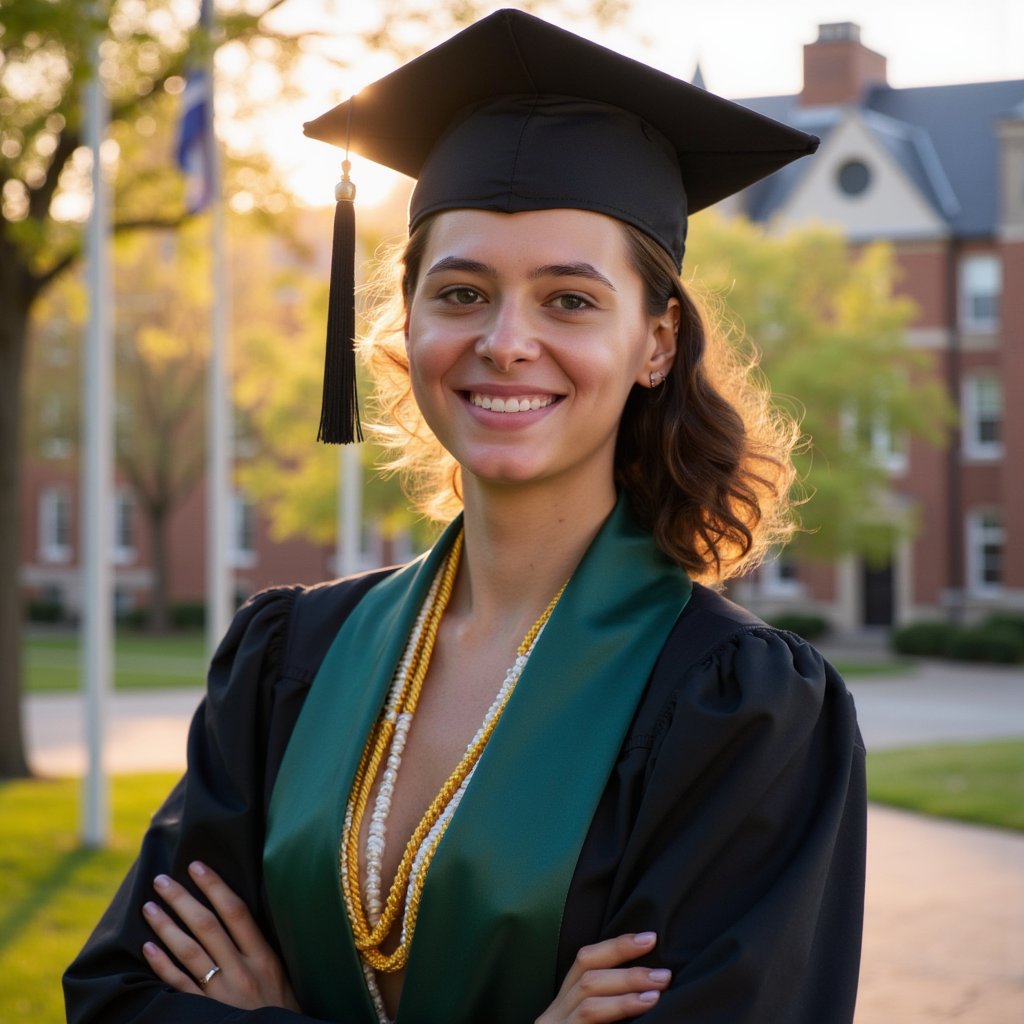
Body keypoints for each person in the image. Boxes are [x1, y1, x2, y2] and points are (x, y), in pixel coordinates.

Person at [64, 10, 866, 1024]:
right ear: (410, 320)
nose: (505, 340)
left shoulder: (738, 715)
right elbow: (116, 996)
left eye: (570, 301)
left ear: (654, 341)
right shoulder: (287, 663)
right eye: (462, 291)